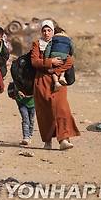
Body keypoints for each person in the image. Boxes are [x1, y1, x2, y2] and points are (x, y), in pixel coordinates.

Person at [31, 20, 80, 150]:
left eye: (49, 30)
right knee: (45, 113)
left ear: (53, 31)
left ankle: (64, 139)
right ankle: (47, 141)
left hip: (59, 81)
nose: (46, 33)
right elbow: (35, 62)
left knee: (62, 109)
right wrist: (50, 61)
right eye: (44, 30)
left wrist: (55, 70)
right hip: (42, 81)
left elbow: (69, 60)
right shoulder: (37, 44)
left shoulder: (60, 44)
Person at [45, 26, 74, 91]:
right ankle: (62, 76)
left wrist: (47, 57)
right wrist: (70, 54)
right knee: (63, 65)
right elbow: (72, 47)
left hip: (54, 54)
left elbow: (48, 48)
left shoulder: (53, 38)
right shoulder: (68, 39)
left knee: (53, 69)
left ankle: (56, 82)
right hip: (64, 55)